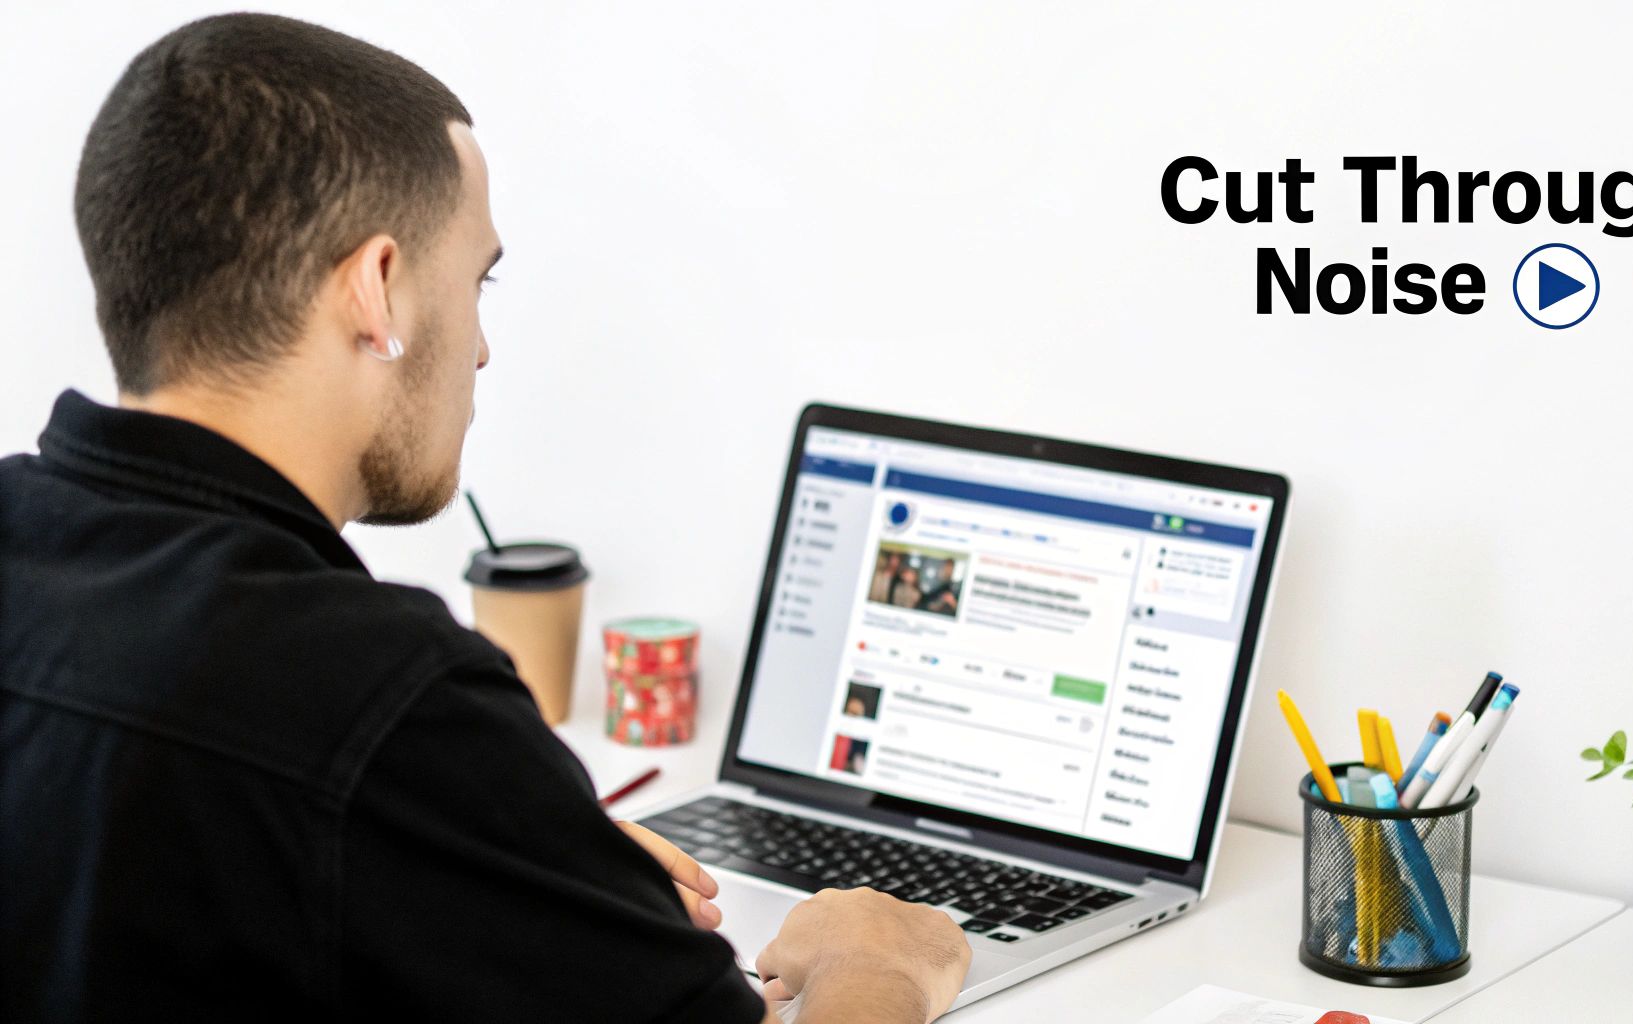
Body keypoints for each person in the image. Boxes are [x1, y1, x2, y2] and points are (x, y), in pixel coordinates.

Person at [0, 14, 967, 1023]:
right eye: (476, 279)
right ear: (378, 287)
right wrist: (879, 965)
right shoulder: (378, 697)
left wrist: (491, 850)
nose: (481, 349)